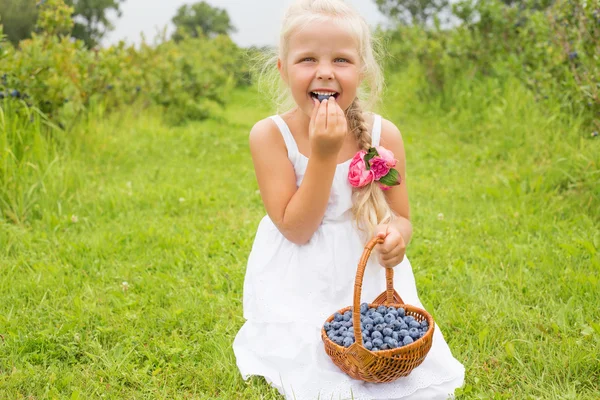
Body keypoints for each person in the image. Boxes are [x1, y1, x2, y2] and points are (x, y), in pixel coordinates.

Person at [232, 0, 465, 398]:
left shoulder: (382, 135)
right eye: (308, 59)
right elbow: (297, 229)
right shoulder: (269, 136)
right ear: (283, 70)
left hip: (366, 276)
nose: (325, 71)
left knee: (383, 352)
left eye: (341, 59)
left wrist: (396, 238)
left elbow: (402, 217)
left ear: (361, 71)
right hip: (300, 276)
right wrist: (323, 155)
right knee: (315, 361)